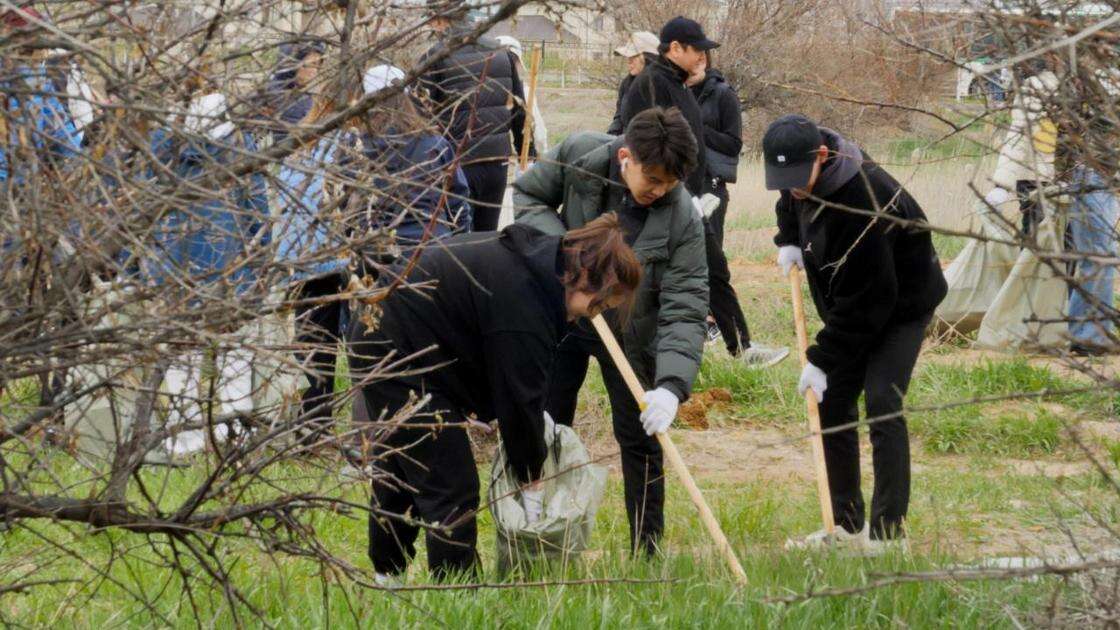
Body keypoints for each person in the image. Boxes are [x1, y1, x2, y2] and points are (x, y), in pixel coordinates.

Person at [348, 215, 642, 582]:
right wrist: (532, 472)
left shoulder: (537, 264)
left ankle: (387, 577)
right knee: (449, 484)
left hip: (401, 337)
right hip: (393, 347)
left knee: (405, 465)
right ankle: (456, 596)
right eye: (596, 306)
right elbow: (520, 399)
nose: (590, 315)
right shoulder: (525, 302)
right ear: (582, 277)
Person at [514, 107, 708, 555]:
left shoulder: (682, 218)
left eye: (670, 184)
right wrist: (566, 252)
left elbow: (686, 305)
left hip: (629, 333)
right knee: (545, 424)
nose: (659, 191)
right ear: (626, 156)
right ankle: (537, 536)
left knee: (640, 438)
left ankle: (646, 547)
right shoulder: (580, 155)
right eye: (653, 180)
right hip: (563, 317)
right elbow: (528, 196)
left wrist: (673, 387)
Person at [764, 115, 947, 552]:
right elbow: (791, 201)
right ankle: (845, 526)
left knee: (883, 399)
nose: (792, 189)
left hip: (903, 304)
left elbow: (869, 304)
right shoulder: (801, 179)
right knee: (832, 401)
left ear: (822, 157)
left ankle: (888, 535)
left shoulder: (863, 202)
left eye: (796, 179)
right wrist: (789, 237)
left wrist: (822, 357)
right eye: (782, 179)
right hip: (858, 304)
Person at [146, 92, 271, 455]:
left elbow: (143, 212)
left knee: (181, 356)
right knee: (234, 355)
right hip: (233, 270)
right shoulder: (241, 148)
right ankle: (236, 435)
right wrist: (261, 269)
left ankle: (184, 439)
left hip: (175, 269)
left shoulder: (161, 147)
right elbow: (258, 217)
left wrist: (143, 269)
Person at [686, 51, 789, 367]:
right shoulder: (670, 91)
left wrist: (694, 127)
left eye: (699, 59)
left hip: (711, 187)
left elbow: (733, 144)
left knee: (710, 261)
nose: (693, 67)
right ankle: (705, 329)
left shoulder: (723, 95)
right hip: (680, 186)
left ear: (704, 61)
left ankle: (733, 339)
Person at [420, 3, 529, 231]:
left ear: (440, 20)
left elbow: (421, 115)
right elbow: (519, 109)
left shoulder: (435, 57)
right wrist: (525, 152)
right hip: (497, 161)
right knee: (487, 236)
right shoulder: (502, 53)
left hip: (458, 161)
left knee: (457, 236)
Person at [618, 16, 717, 197]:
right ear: (676, 48)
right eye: (697, 50)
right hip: (662, 198)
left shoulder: (678, 82)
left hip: (683, 197)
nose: (702, 57)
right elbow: (652, 152)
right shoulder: (653, 83)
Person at [985, 63, 1060, 238]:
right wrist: (1002, 185)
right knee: (1038, 244)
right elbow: (1019, 137)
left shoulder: (1083, 87)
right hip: (1036, 179)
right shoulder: (1037, 87)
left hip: (1064, 181)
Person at [494, 35, 548, 157]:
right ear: (516, 62)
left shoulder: (480, 87)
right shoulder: (523, 91)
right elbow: (537, 130)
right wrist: (539, 153)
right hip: (503, 155)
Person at [265, 41, 326, 142]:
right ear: (293, 64)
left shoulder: (304, 98)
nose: (314, 71)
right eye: (311, 64)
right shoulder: (274, 94)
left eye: (317, 65)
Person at [607, 31, 659, 136]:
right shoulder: (627, 84)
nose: (629, 61)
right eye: (628, 57)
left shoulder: (661, 87)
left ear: (648, 57)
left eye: (633, 56)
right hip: (624, 142)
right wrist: (609, 139)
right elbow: (619, 118)